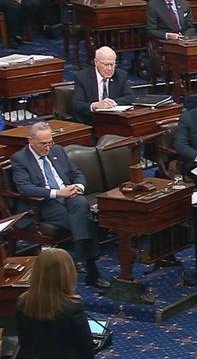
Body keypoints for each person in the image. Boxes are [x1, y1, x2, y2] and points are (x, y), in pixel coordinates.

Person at [11, 122, 110, 289]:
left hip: (69, 196)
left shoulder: (58, 150)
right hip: (43, 204)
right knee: (84, 219)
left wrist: (78, 187)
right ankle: (91, 269)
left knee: (80, 203)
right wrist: (58, 193)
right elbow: (25, 188)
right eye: (43, 144)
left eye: (50, 142)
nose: (48, 147)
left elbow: (76, 173)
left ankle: (83, 260)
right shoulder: (19, 159)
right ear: (30, 140)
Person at [16, 249, 95, 359]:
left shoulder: (23, 302)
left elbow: (24, 342)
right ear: (68, 274)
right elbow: (87, 349)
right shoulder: (73, 308)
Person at [71, 46, 135, 126]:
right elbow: (77, 104)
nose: (109, 68)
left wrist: (112, 103)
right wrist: (95, 106)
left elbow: (130, 97)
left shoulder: (120, 75)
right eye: (105, 64)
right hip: (91, 123)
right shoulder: (82, 77)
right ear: (96, 62)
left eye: (112, 64)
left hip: (115, 122)